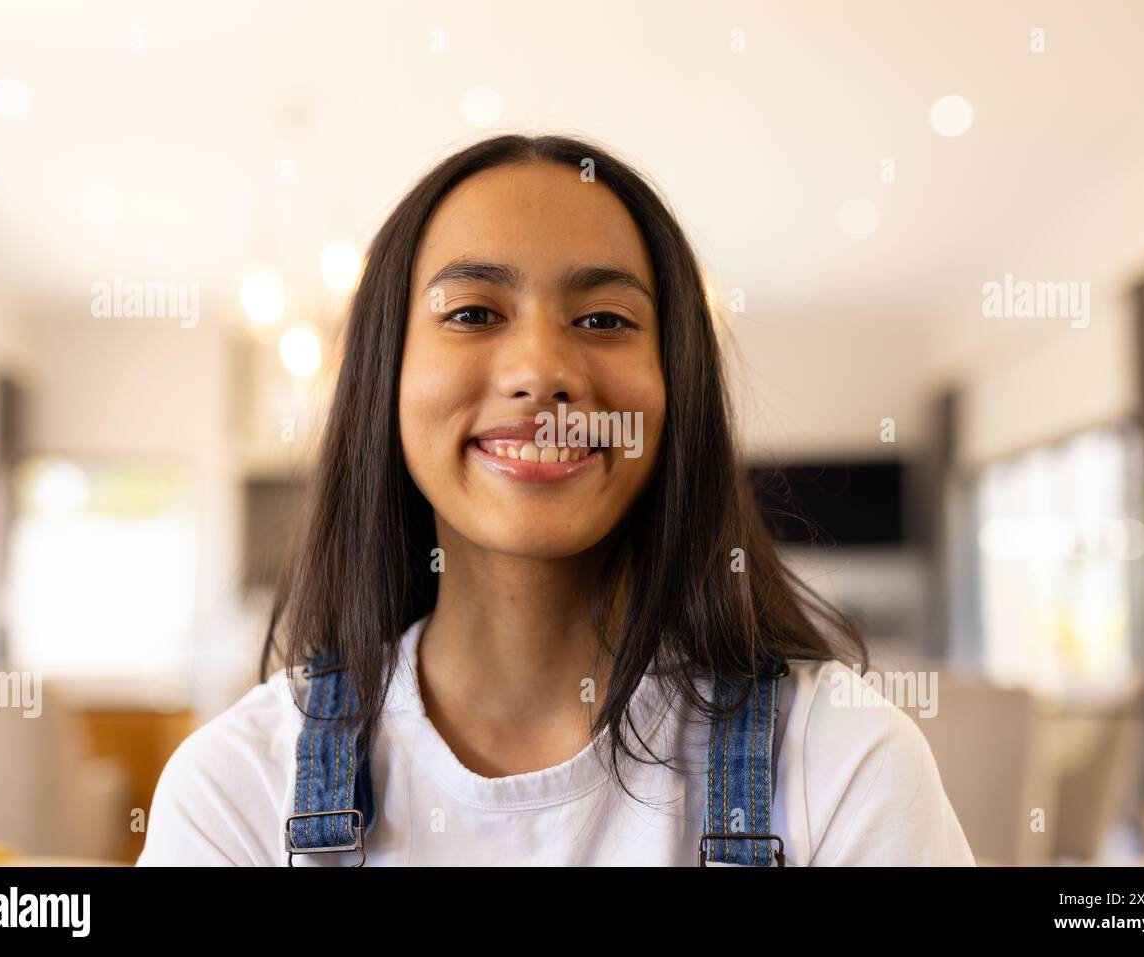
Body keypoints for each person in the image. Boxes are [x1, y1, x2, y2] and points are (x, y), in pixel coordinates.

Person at [137, 133, 975, 866]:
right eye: (471, 312)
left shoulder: (841, 761)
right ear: (384, 381)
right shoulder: (237, 788)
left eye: (605, 320)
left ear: (675, 390)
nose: (540, 371)